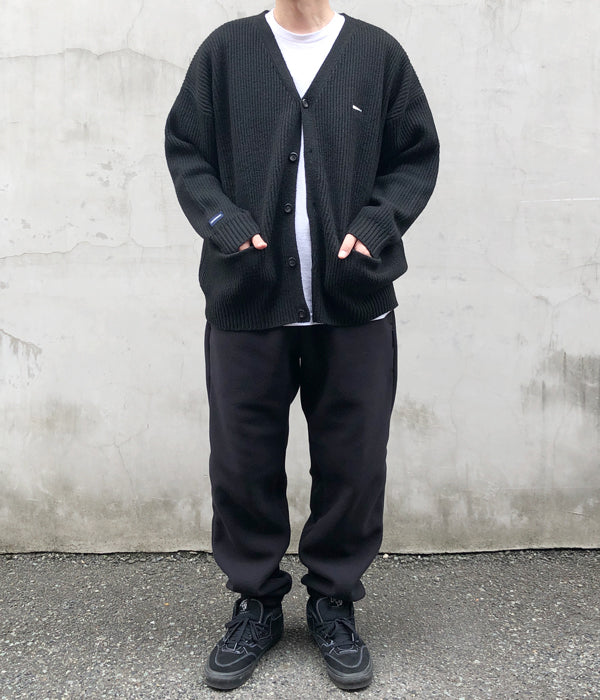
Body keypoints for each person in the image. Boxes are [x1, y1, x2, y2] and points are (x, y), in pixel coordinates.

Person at [165, 0, 439, 690]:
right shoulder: (227, 51)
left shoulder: (377, 54)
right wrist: (222, 221)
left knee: (354, 463)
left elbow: (414, 157)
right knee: (241, 463)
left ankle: (333, 602)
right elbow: (187, 149)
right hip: (247, 300)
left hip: (354, 306)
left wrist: (378, 225)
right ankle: (256, 603)